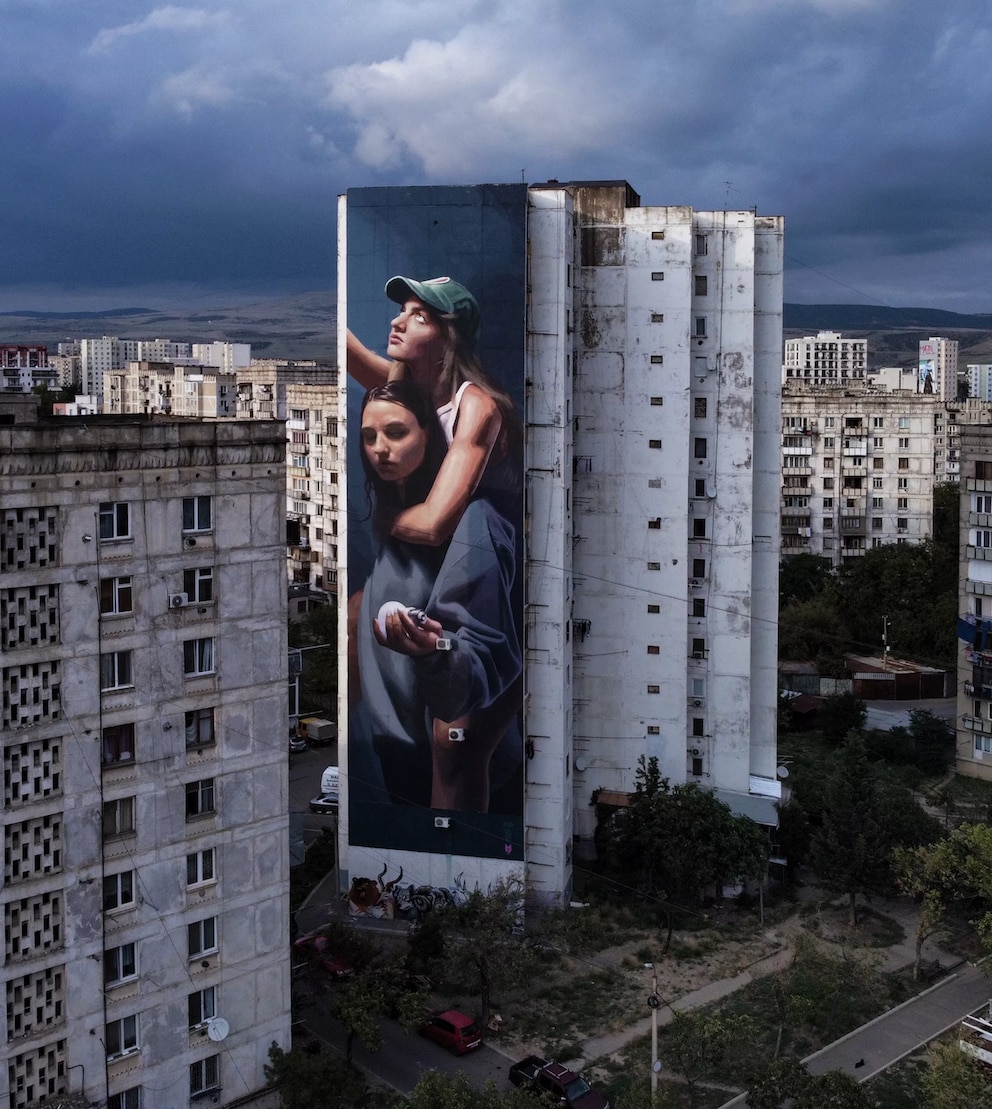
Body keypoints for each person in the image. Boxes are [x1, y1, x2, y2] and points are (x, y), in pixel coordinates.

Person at [355, 380, 522, 812]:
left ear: (428, 434)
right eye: (369, 436)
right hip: (396, 765)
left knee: (452, 747)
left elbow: (478, 664)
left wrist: (435, 654)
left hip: (461, 786)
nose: (380, 449)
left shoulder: (473, 521)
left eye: (395, 432)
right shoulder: (393, 524)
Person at [347, 275, 522, 546]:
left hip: (480, 557)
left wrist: (384, 519)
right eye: (402, 311)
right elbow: (352, 353)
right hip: (434, 559)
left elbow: (432, 526)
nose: (397, 322)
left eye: (420, 318)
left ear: (449, 338)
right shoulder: (406, 393)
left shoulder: (476, 407)